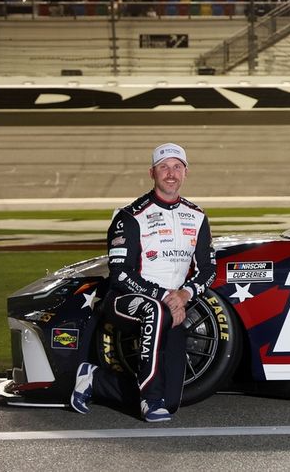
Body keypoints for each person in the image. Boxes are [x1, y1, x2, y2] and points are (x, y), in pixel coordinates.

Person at [71, 143, 216, 423]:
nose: (170, 174)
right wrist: (164, 296)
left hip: (174, 305)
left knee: (171, 402)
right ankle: (150, 400)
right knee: (155, 310)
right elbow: (120, 273)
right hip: (124, 300)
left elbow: (209, 268)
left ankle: (95, 379)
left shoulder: (197, 216)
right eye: (164, 167)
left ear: (186, 173)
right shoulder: (129, 215)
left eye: (177, 167)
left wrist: (185, 294)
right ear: (152, 173)